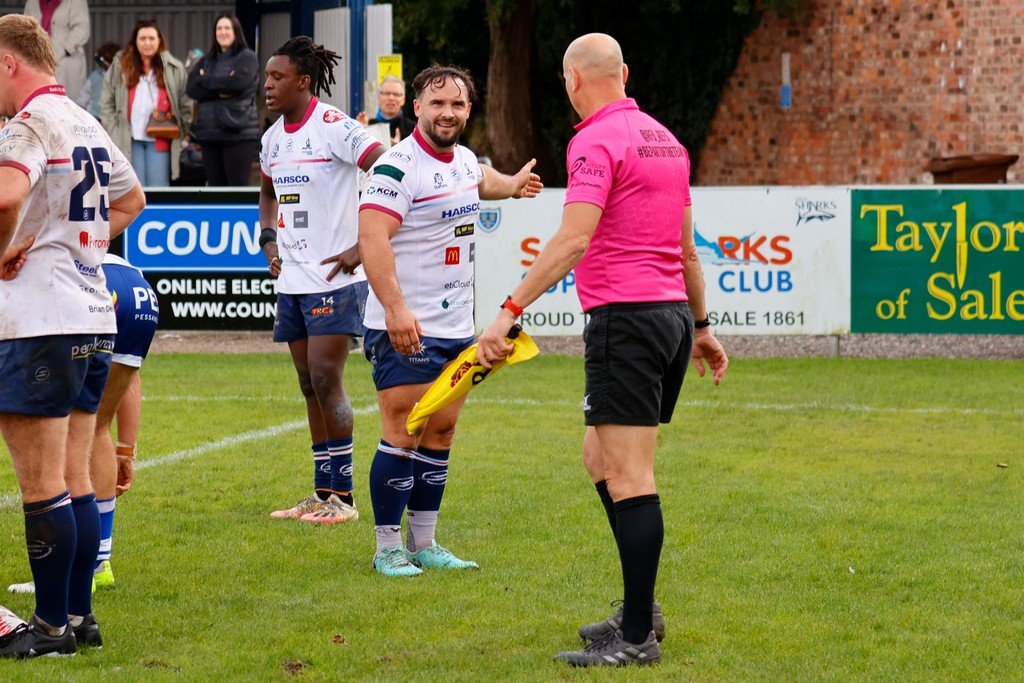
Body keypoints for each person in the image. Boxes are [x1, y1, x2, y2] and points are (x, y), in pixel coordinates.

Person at [478, 33, 729, 667]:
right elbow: (689, 250)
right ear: (624, 72)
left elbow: (573, 240)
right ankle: (640, 608)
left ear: (572, 80)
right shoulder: (666, 140)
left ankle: (638, 635)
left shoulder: (593, 139)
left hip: (627, 318)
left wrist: (508, 312)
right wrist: (699, 326)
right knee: (599, 457)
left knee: (630, 474)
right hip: (669, 318)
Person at [358, 64, 542, 577]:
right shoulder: (396, 167)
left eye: (458, 105)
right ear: (416, 107)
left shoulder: (463, 160)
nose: (448, 113)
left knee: (442, 429)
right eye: (437, 104)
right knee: (405, 427)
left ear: (468, 110)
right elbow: (372, 238)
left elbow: (486, 181)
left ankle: (426, 543)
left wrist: (514, 185)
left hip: (457, 326)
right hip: (405, 325)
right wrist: (395, 309)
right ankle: (387, 548)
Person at [0, 14, 145, 657]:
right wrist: (72, 241)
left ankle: (52, 627)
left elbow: (5, 196)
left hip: (39, 321)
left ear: (10, 63)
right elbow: (133, 198)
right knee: (76, 475)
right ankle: (80, 620)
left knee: (42, 483)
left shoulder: (29, 122)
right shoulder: (86, 120)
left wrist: (11, 245)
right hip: (93, 312)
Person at [259, 37, 386, 525]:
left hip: (334, 279)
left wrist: (362, 245)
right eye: (267, 77)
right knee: (307, 384)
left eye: (277, 77)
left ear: (303, 81)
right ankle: (322, 493)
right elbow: (268, 191)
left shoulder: (333, 125)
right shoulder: (273, 138)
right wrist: (269, 242)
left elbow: (388, 165)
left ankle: (345, 499)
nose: (268, 85)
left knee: (325, 377)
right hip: (291, 280)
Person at [7, 252, 159, 594]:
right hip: (138, 290)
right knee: (96, 428)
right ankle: (98, 561)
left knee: (59, 434)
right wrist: (126, 450)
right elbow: (131, 380)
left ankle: (61, 568)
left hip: (87, 284)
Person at [100, 19, 190, 187]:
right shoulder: (120, 64)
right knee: (133, 189)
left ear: (159, 41)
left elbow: (185, 103)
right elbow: (106, 101)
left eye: (151, 38)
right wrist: (112, 130)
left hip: (160, 138)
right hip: (128, 138)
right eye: (142, 39)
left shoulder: (172, 67)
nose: (147, 43)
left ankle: (157, 216)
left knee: (158, 189)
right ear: (135, 42)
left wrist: (182, 131)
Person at [185, 13, 259, 186]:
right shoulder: (207, 60)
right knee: (215, 194)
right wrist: (221, 88)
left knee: (236, 192)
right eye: (219, 28)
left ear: (236, 32)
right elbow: (191, 89)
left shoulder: (247, 57)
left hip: (238, 134)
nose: (222, 32)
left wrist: (205, 80)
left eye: (227, 28)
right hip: (209, 134)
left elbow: (238, 83)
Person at [24, 0, 89, 101]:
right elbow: (25, 29)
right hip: (38, 61)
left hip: (66, 60)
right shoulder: (32, 2)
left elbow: (82, 28)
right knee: (40, 103)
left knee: (67, 106)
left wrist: (64, 50)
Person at [356, 76, 415, 145]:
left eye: (396, 94)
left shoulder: (414, 129)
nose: (391, 98)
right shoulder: (368, 126)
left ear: (403, 100)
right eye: (387, 93)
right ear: (378, 97)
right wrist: (359, 131)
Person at [76, 41, 118, 119]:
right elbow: (83, 97)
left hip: (112, 119)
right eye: (103, 60)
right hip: (93, 117)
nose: (105, 63)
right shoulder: (95, 76)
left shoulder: (120, 78)